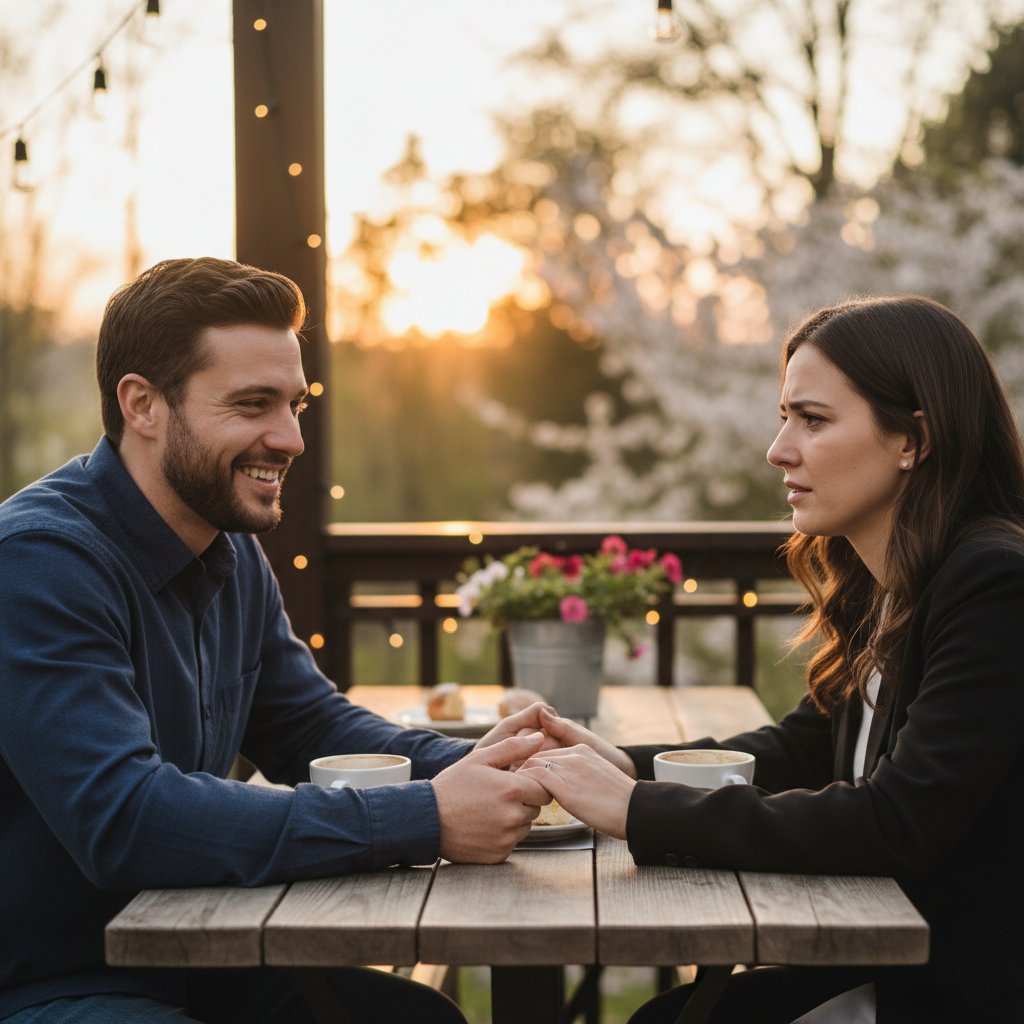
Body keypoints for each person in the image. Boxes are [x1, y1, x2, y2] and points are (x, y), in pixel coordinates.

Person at [0, 257, 554, 1024]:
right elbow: (123, 819)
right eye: (253, 404)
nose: (289, 439)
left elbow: (309, 727)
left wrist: (492, 767)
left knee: (422, 1019)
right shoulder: (38, 562)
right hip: (57, 983)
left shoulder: (225, 544)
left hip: (203, 955)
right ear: (142, 405)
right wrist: (424, 816)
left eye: (295, 405)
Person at [519, 295, 1024, 1023]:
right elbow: (805, 748)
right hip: (895, 956)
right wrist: (625, 765)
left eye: (812, 420)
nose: (778, 448)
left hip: (958, 987)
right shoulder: (889, 580)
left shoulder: (994, 583)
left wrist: (637, 810)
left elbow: (897, 820)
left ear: (913, 439)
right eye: (784, 416)